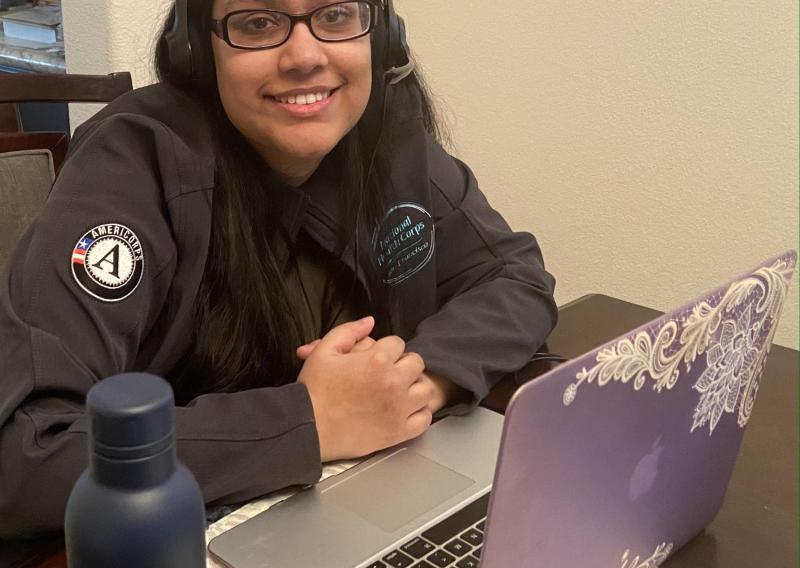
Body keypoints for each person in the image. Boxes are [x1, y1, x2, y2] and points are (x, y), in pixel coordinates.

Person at [0, 0, 557, 538]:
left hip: (360, 499)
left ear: (380, 33)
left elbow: (515, 277)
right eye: (260, 22)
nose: (305, 56)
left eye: (335, 14)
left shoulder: (387, 135)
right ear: (198, 47)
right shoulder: (130, 166)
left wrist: (410, 384)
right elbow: (24, 454)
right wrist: (306, 422)